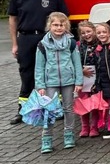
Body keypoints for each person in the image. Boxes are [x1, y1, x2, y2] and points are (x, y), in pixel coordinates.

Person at [8, 0, 69, 125]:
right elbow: (13, 20)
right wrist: (15, 44)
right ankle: (23, 110)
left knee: (52, 73)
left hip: (47, 39)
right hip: (26, 38)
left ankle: (56, 108)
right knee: (26, 75)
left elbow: (63, 19)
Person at [34, 12, 83, 153]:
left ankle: (69, 135)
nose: (58, 28)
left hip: (68, 81)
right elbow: (39, 66)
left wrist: (78, 81)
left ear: (66, 26)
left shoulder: (71, 43)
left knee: (68, 109)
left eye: (61, 25)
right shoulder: (42, 44)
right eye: (55, 25)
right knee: (49, 110)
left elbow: (77, 63)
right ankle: (47, 138)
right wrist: (40, 85)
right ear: (50, 26)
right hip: (50, 82)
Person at [77, 21, 100, 138]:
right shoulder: (78, 46)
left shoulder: (99, 45)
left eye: (89, 31)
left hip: (96, 77)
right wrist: (81, 71)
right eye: (83, 33)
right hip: (82, 78)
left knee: (94, 103)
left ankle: (94, 126)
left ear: (94, 31)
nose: (86, 35)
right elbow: (74, 62)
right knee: (83, 103)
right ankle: (85, 126)